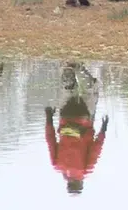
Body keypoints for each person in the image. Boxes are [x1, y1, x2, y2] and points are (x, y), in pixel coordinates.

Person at [46, 62, 108, 195]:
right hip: (65, 118)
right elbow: (50, 140)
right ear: (68, 182)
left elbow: (96, 149)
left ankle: (79, 68)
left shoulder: (86, 170)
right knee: (67, 90)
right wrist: (49, 118)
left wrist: (103, 130)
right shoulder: (57, 165)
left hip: (84, 120)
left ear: (80, 183)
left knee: (91, 91)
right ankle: (68, 68)